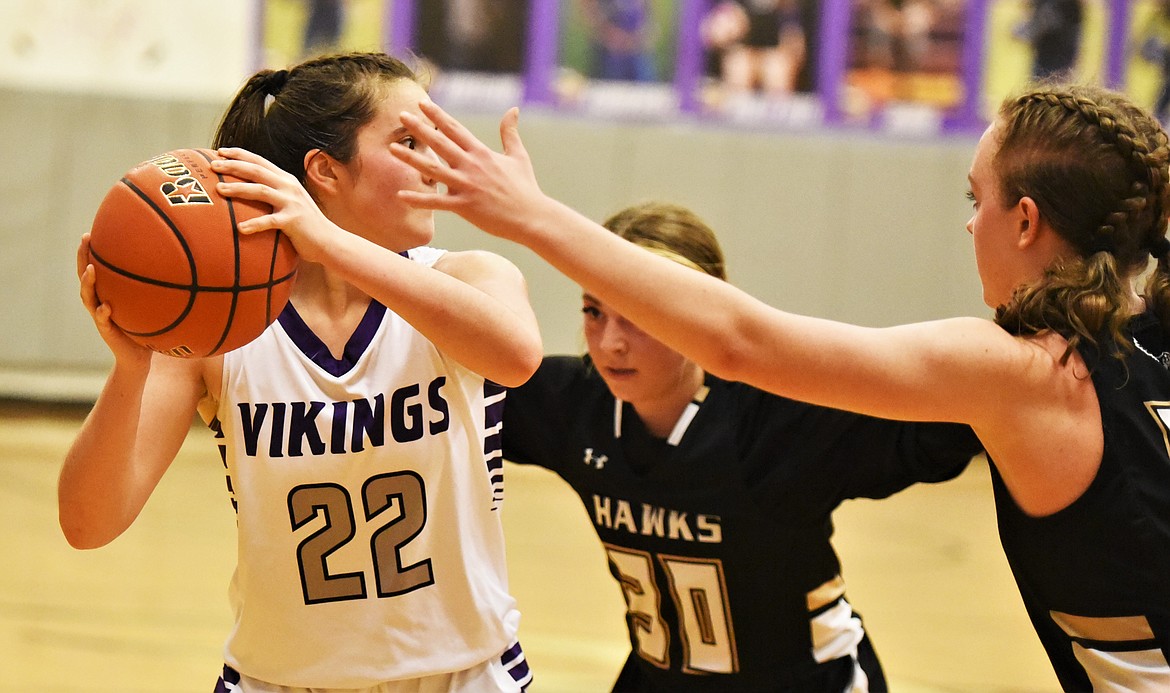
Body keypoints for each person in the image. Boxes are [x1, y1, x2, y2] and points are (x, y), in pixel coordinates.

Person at [388, 84, 1170, 690]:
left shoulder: (1023, 371)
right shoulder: (1146, 338)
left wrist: (528, 215)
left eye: (978, 199)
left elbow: (741, 340)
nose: (970, 225)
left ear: (1026, 221)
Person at [58, 51, 543, 692]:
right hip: (280, 680)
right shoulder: (222, 335)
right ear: (325, 171)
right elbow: (89, 524)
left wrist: (326, 239)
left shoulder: (468, 277)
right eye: (408, 141)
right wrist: (131, 367)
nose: (436, 163)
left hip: (461, 675)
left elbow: (517, 355)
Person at [502, 201, 981, 691]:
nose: (610, 343)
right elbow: (451, 398)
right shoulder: (579, 405)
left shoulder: (773, 421)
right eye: (593, 311)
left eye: (639, 315)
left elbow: (940, 431)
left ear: (703, 312)